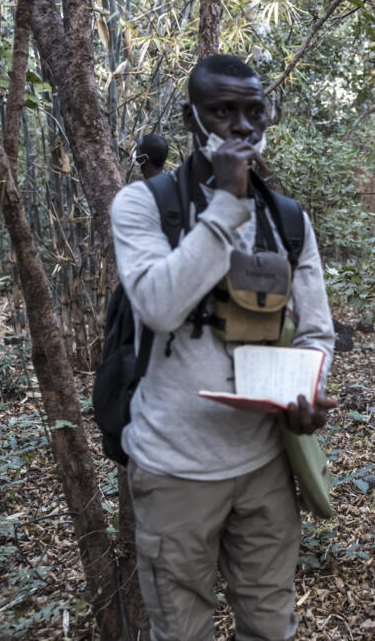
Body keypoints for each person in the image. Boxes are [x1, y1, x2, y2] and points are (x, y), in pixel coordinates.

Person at [109, 54, 337, 641]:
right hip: (172, 468)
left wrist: (307, 393)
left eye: (252, 111)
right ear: (192, 119)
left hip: (263, 465)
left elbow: (315, 331)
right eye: (222, 112)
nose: (241, 126)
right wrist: (227, 205)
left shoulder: (287, 219)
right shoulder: (144, 206)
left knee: (270, 626)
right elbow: (157, 306)